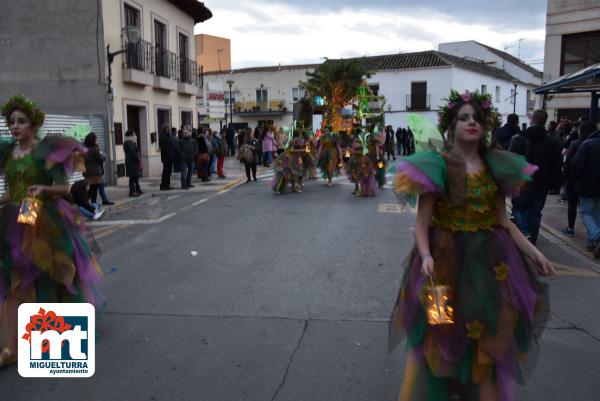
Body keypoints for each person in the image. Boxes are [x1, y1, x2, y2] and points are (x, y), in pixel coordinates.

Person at [390, 90, 554, 401]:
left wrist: (534, 252)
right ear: (450, 126)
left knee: (490, 340)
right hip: (441, 268)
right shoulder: (435, 165)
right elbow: (421, 224)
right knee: (439, 335)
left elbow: (503, 221)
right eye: (463, 117)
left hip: (491, 268)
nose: (471, 123)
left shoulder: (497, 166)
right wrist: (425, 256)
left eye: (477, 118)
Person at [0, 94, 104, 367]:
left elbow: (65, 188)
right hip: (19, 219)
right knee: (17, 279)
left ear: (34, 125)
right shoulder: (9, 154)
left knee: (53, 276)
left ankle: (55, 333)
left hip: (46, 218)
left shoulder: (45, 152)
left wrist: (44, 189)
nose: (15, 126)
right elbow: (11, 191)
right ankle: (11, 347)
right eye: (12, 122)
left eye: (22, 121)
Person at [508, 110, 561, 245]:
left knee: (518, 209)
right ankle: (533, 240)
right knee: (535, 212)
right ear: (545, 122)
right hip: (543, 182)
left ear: (532, 119)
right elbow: (556, 164)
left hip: (522, 181)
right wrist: (556, 184)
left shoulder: (519, 138)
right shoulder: (552, 141)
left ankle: (525, 233)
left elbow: (510, 161)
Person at [561, 121, 596, 237]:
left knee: (575, 207)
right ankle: (592, 239)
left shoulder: (576, 144)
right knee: (595, 211)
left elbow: (570, 163)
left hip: (577, 181)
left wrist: (568, 177)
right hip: (593, 183)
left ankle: (572, 228)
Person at [571, 122, 600, 257]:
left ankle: (596, 236)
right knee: (597, 213)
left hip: (588, 185)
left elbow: (576, 165)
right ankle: (591, 243)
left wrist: (577, 179)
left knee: (586, 211)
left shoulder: (587, 144)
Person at [83, 132, 103, 205]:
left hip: (86, 172)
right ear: (93, 140)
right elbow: (100, 160)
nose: (97, 140)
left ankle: (85, 203)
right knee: (94, 188)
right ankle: (93, 204)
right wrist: (103, 156)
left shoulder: (84, 148)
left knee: (89, 189)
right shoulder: (94, 149)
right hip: (95, 172)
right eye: (96, 139)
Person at [123, 130, 142, 197]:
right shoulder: (130, 143)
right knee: (132, 178)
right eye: (134, 134)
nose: (135, 135)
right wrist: (138, 159)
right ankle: (132, 192)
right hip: (132, 163)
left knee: (135, 177)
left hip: (131, 162)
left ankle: (137, 189)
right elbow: (133, 153)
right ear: (131, 135)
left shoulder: (129, 142)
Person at [178, 125, 197, 189]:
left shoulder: (192, 140)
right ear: (183, 134)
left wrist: (194, 155)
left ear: (189, 133)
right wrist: (182, 155)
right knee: (184, 173)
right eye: (184, 133)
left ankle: (188, 183)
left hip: (191, 159)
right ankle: (183, 185)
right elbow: (178, 150)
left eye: (187, 133)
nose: (185, 134)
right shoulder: (180, 141)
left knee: (190, 172)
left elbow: (196, 148)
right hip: (184, 159)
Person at [159, 124, 174, 190]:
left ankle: (167, 185)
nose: (169, 130)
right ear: (165, 130)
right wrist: (170, 156)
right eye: (168, 129)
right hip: (166, 158)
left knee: (168, 172)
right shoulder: (163, 137)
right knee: (166, 172)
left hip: (169, 157)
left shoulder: (168, 137)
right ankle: (164, 185)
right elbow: (165, 149)